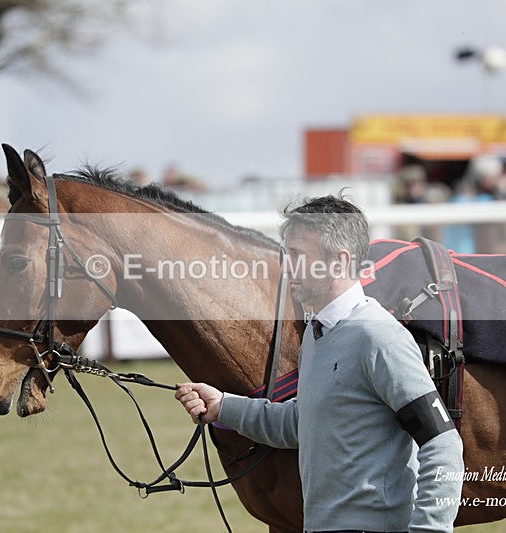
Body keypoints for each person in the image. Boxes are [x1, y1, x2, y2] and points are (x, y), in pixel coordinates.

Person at [175, 194, 464, 533]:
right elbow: (303, 421)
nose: (287, 267)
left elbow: (443, 444)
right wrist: (223, 406)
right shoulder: (318, 333)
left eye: (298, 256)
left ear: (339, 261)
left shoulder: (379, 337)